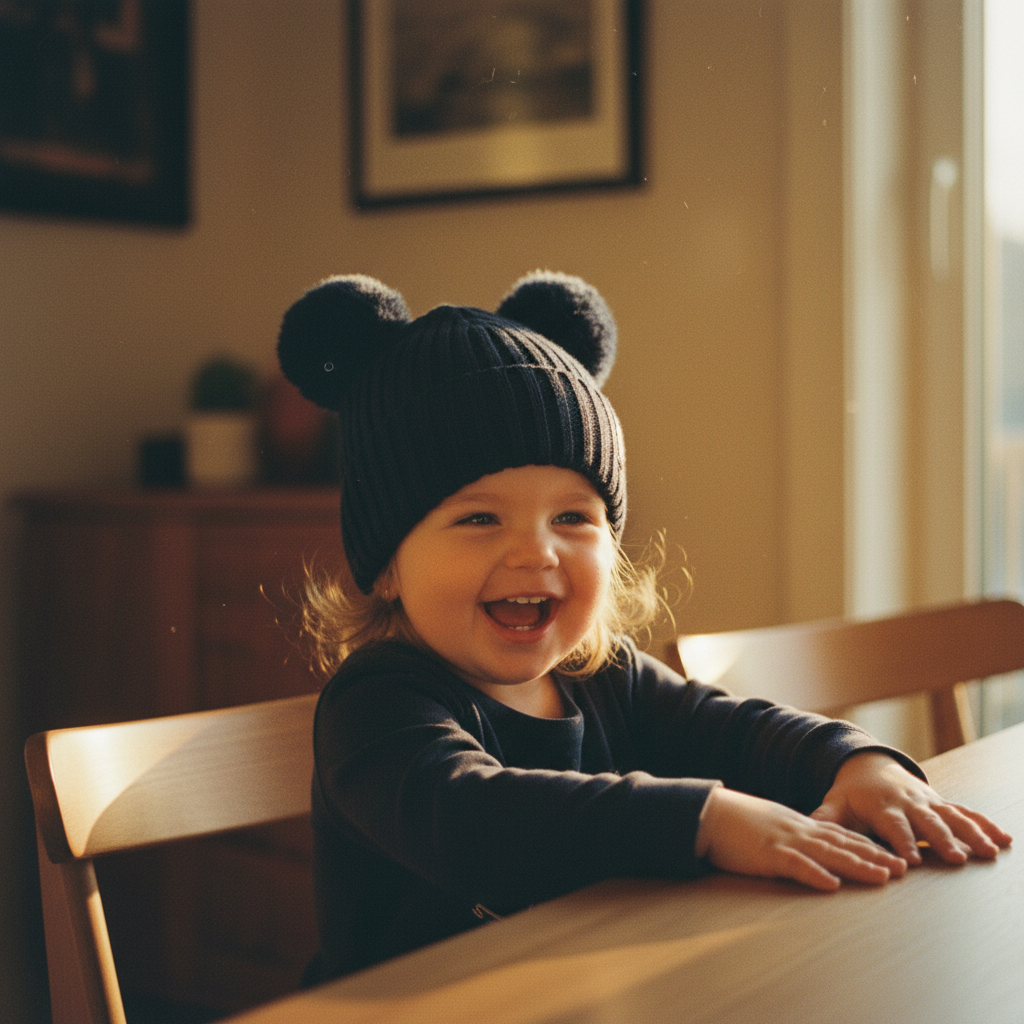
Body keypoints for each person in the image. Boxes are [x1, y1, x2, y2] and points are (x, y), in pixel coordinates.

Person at [276, 271, 1012, 983]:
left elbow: (733, 729)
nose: (537, 551)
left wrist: (855, 763)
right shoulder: (374, 703)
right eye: (479, 519)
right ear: (387, 566)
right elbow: (471, 820)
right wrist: (705, 818)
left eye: (573, 516)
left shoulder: (604, 676)